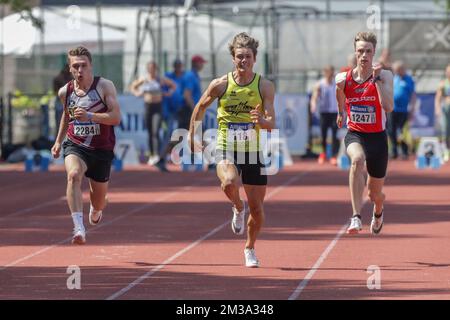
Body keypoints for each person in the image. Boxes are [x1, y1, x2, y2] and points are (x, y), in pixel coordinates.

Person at [188, 32, 276, 267]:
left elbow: (271, 123)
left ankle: (249, 247)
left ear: (255, 58)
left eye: (248, 56)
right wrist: (192, 134)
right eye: (239, 56)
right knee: (228, 182)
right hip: (226, 147)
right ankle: (238, 206)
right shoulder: (221, 84)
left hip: (253, 152)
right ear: (233, 58)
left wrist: (261, 121)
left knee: (257, 210)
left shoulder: (264, 86)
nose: (243, 61)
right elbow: (200, 107)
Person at [51, 46, 122, 244]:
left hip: (101, 150)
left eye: (83, 65)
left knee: (98, 202)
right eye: (76, 66)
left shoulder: (104, 87)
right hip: (76, 145)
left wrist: (90, 116)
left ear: (91, 66)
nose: (80, 70)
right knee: (73, 175)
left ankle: (96, 207)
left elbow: (116, 118)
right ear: (70, 69)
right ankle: (78, 227)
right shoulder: (65, 91)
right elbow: (66, 115)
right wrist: (58, 141)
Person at [335, 32, 393, 235]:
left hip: (378, 138)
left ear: (374, 52)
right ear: (355, 52)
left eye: (368, 51)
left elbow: (388, 106)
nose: (364, 55)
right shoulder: (344, 78)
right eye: (360, 51)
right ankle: (355, 216)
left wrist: (376, 81)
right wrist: (341, 112)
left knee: (374, 193)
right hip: (355, 134)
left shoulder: (385, 76)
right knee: (357, 160)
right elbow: (339, 95)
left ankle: (378, 210)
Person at [130, 61, 176, 171]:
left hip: (157, 107)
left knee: (156, 131)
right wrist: (137, 93)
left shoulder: (160, 79)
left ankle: (156, 154)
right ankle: (151, 155)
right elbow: (133, 86)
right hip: (147, 106)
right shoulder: (144, 79)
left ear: (156, 69)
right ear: (148, 69)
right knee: (150, 132)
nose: (152, 70)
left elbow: (173, 85)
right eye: (150, 68)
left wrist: (169, 93)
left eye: (154, 68)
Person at [310, 65, 339, 165]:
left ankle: (334, 155)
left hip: (334, 112)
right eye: (327, 72)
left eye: (330, 72)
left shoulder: (336, 83)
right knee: (323, 134)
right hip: (324, 112)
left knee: (335, 134)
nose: (329, 74)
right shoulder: (320, 84)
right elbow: (314, 96)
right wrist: (313, 105)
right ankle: (323, 153)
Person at [388, 60, 416, 159]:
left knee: (402, 132)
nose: (396, 72)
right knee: (391, 131)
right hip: (392, 109)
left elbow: (413, 95)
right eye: (395, 70)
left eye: (398, 70)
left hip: (403, 110)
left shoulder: (409, 79)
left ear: (402, 69)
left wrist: (412, 108)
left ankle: (404, 152)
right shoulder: (394, 78)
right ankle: (394, 151)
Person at [179, 55, 207, 130]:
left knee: (194, 135)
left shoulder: (195, 75)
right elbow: (187, 95)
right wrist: (195, 111)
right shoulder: (190, 76)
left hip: (191, 110)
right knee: (186, 135)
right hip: (188, 110)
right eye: (201, 63)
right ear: (196, 63)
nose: (202, 65)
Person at [435, 64, 450, 157]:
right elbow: (438, 98)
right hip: (446, 110)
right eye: (448, 71)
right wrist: (437, 109)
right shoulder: (443, 83)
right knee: (445, 130)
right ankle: (446, 150)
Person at [52, 64, 72, 135]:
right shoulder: (60, 78)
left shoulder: (70, 77)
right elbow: (55, 91)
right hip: (61, 101)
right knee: (61, 121)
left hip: (67, 101)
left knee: (62, 121)